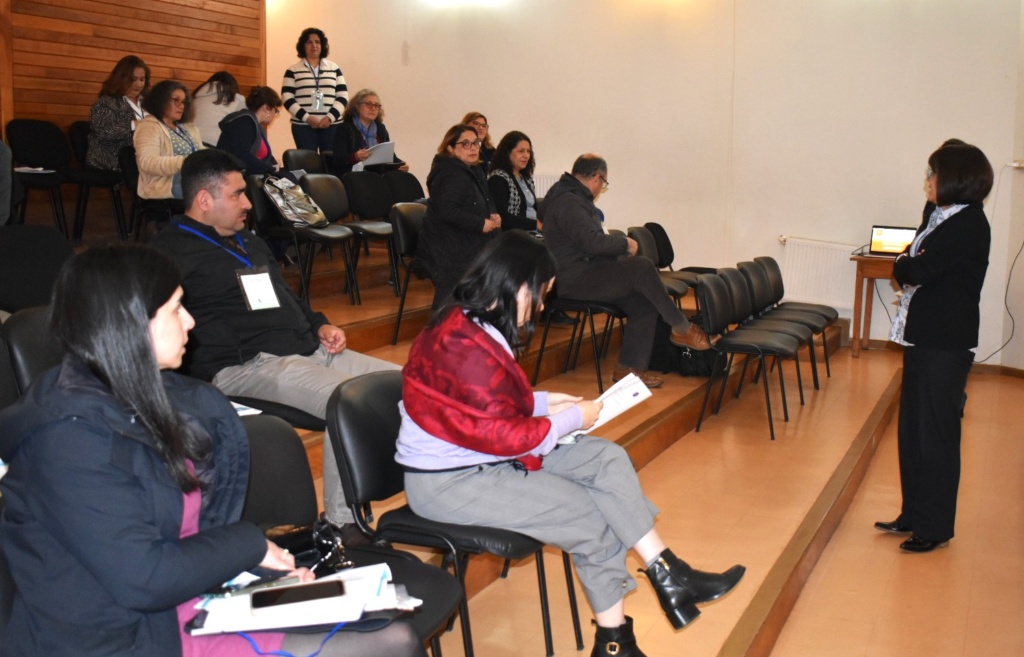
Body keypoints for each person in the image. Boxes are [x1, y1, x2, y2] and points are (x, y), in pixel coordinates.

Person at [0, 245, 426, 657]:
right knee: (391, 643)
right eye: (175, 309)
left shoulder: (153, 398)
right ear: (128, 324)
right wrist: (249, 547)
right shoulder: (65, 442)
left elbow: (186, 532)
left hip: (185, 605)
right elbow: (144, 578)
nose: (190, 321)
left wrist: (261, 569)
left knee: (388, 632)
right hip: (118, 636)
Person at [397, 232, 745, 657]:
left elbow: (480, 406)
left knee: (606, 458)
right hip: (451, 482)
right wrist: (571, 419)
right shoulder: (462, 342)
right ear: (517, 285)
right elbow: (503, 436)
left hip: (479, 459)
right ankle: (616, 642)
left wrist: (546, 402)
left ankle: (668, 572)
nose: (543, 306)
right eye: (541, 293)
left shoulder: (472, 324)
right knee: (591, 515)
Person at [150, 149, 400, 532]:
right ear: (204, 199)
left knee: (406, 387)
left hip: (309, 347)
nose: (248, 204)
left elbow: (287, 295)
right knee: (351, 403)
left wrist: (319, 324)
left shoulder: (249, 241)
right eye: (237, 194)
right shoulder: (169, 253)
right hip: (248, 364)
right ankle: (341, 526)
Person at [875, 142, 993, 553]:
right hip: (923, 337)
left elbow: (915, 268)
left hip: (945, 342)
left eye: (933, 173)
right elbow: (912, 260)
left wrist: (905, 264)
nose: (927, 181)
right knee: (912, 431)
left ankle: (935, 526)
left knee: (936, 435)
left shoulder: (969, 224)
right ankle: (913, 514)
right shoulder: (938, 213)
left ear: (955, 179)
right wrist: (907, 263)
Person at [539, 154, 711, 388]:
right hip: (576, 280)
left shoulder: (571, 197)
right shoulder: (569, 201)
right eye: (604, 183)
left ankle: (629, 370)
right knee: (642, 267)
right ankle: (681, 328)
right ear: (597, 178)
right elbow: (591, 242)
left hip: (588, 272)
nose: (601, 188)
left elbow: (589, 243)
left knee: (644, 301)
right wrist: (625, 244)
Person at [416, 124, 500, 309]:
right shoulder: (450, 173)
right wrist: (480, 223)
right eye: (466, 144)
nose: (473, 148)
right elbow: (446, 211)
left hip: (464, 239)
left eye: (475, 143)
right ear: (450, 148)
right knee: (455, 297)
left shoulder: (472, 170)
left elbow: (484, 199)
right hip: (447, 246)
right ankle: (445, 324)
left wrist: (492, 214)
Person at [135, 79, 204, 213]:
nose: (181, 106)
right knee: (211, 191)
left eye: (183, 102)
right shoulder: (148, 127)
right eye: (176, 100)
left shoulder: (188, 128)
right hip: (164, 183)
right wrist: (185, 162)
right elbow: (147, 163)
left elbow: (200, 152)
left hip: (191, 177)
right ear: (161, 100)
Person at [282, 27, 348, 153]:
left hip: (332, 125)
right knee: (308, 162)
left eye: (317, 42)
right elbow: (287, 97)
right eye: (309, 42)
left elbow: (343, 96)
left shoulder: (334, 68)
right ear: (303, 46)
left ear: (322, 45)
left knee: (330, 162)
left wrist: (330, 118)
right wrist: (306, 117)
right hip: (303, 126)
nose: (314, 45)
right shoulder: (293, 70)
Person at [86, 55, 150, 170]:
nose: (139, 84)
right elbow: (104, 132)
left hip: (145, 159)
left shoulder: (148, 103)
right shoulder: (106, 102)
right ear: (121, 78)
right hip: (112, 161)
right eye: (133, 79)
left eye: (142, 79)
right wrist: (134, 125)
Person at [330, 88, 407, 177]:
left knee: (406, 178)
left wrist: (401, 165)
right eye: (368, 104)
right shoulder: (345, 128)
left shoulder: (380, 129)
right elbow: (338, 159)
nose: (373, 108)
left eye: (376, 105)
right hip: (354, 175)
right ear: (357, 106)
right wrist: (355, 157)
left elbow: (390, 156)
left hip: (378, 174)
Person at [217, 85, 288, 178]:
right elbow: (242, 156)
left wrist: (274, 168)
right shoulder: (245, 122)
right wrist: (271, 170)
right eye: (276, 111)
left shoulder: (253, 123)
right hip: (229, 178)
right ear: (266, 108)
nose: (275, 114)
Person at [488, 130, 539, 232]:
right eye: (521, 151)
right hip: (516, 235)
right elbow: (503, 217)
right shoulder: (498, 178)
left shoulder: (526, 178)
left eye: (528, 151)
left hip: (535, 231)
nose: (526, 155)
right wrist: (536, 225)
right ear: (507, 153)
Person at [191, 71, 246, 146]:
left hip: (191, 144)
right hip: (216, 146)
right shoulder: (237, 99)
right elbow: (245, 129)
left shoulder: (195, 98)